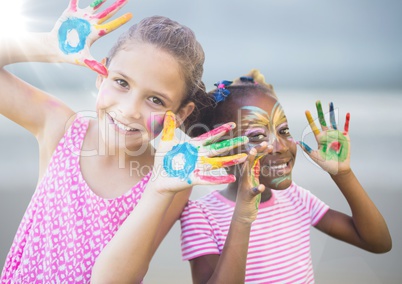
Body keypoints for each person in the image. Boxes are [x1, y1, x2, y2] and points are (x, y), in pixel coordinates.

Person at [0, 1, 250, 283]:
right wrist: (48, 46)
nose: (130, 109)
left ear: (181, 114)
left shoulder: (169, 181)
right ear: (100, 74)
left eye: (155, 100)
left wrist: (158, 190)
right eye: (121, 82)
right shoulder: (59, 128)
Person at [180, 69, 392, 283]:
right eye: (258, 136)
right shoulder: (201, 216)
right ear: (220, 150)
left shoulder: (296, 198)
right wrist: (243, 218)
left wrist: (343, 174)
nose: (280, 146)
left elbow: (377, 242)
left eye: (283, 130)